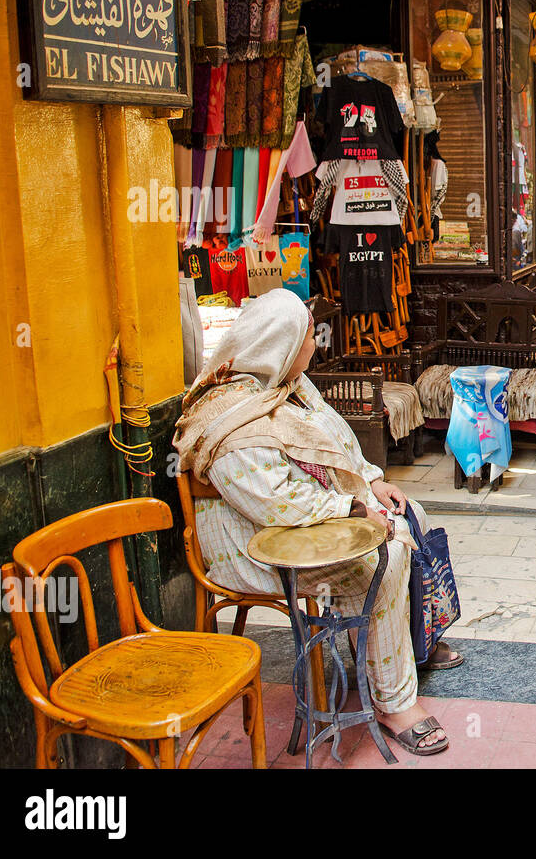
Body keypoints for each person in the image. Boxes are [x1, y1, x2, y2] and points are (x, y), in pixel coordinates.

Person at [174, 289, 460, 757]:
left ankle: (410, 643)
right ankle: (394, 703)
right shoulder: (228, 419)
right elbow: (276, 504)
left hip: (307, 524)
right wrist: (354, 510)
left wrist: (371, 484)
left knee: (412, 514)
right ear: (282, 344)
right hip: (255, 546)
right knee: (383, 563)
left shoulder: (291, 383)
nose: (316, 343)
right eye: (309, 335)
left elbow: (338, 445)